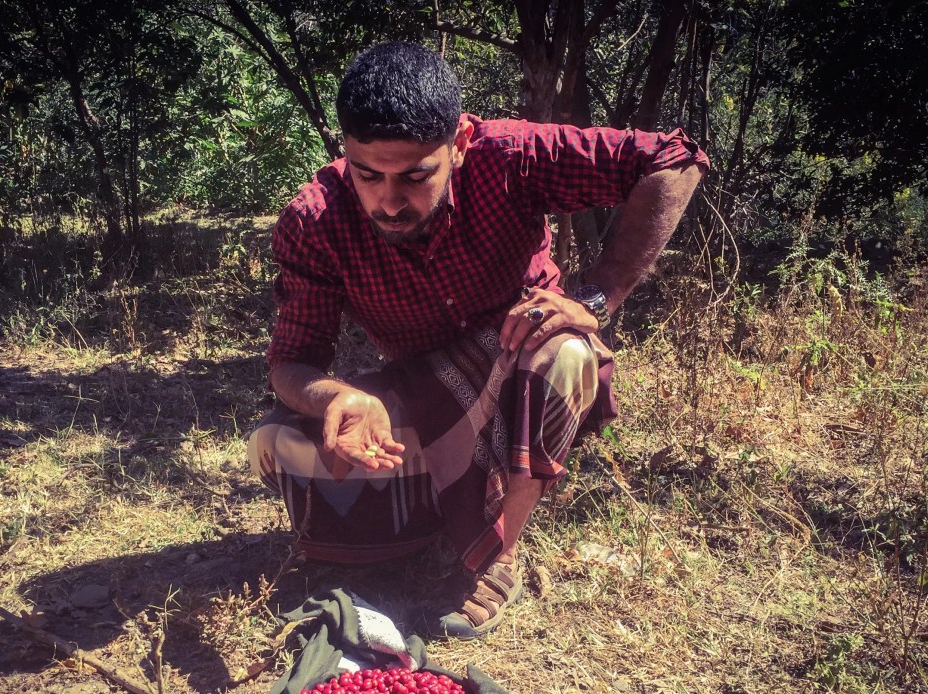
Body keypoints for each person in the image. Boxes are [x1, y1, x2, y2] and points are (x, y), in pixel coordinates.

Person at [248, 41, 707, 638]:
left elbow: (676, 160)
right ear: (345, 153)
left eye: (415, 176)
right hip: (423, 382)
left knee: (564, 354)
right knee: (276, 440)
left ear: (459, 144)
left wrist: (596, 297)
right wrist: (337, 397)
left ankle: (496, 552)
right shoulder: (314, 219)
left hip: (523, 363)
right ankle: (441, 511)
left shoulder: (508, 156)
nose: (389, 201)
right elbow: (292, 364)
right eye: (369, 175)